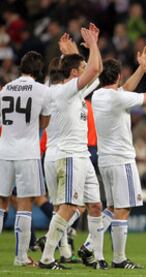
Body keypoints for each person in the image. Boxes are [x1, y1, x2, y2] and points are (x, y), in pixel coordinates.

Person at [38, 24, 105, 270]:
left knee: (95, 205)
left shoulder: (68, 90)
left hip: (79, 155)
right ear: (74, 73)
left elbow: (93, 73)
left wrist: (73, 52)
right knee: (68, 207)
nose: (85, 70)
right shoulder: (64, 91)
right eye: (80, 68)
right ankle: (47, 257)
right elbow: (96, 68)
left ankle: (97, 257)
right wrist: (94, 45)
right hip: (67, 155)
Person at [92, 46, 146, 269]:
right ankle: (119, 258)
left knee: (111, 207)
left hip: (105, 160)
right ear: (118, 76)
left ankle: (90, 245)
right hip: (122, 160)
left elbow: (125, 89)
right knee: (124, 208)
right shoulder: (118, 98)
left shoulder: (98, 95)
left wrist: (140, 67)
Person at [0, 50, 52, 266]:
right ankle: (21, 257)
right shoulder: (42, 91)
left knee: (1, 202)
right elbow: (44, 124)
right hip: (27, 153)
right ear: (39, 71)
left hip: (4, 151)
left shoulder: (5, 89)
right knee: (25, 203)